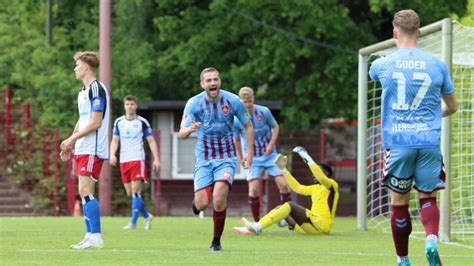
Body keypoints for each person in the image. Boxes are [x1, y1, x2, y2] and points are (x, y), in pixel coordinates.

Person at [368, 9, 457, 266]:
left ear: (394, 33)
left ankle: (403, 260)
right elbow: (452, 106)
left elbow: (377, 76)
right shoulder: (438, 65)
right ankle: (430, 238)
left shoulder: (381, 65)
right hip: (428, 141)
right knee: (428, 197)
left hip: (398, 143)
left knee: (399, 203)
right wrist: (432, 114)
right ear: (419, 33)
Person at [178, 67, 254, 252]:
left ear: (219, 81)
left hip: (226, 158)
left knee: (219, 198)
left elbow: (248, 126)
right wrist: (189, 130)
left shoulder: (233, 101)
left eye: (216, 79)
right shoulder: (194, 103)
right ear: (202, 84)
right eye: (209, 80)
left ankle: (216, 241)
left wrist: (249, 153)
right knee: (203, 203)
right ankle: (197, 204)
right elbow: (181, 133)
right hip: (204, 158)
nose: (213, 83)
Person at [60, 51, 111, 249]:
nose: (75, 68)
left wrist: (71, 138)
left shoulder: (97, 89)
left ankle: (96, 236)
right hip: (82, 147)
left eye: (77, 65)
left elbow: (96, 122)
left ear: (86, 67)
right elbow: (83, 120)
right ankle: (90, 235)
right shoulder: (83, 91)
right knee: (83, 192)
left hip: (93, 147)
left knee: (86, 190)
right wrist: (71, 142)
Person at [235, 146, 339, 236]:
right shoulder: (315, 188)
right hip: (310, 227)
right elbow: (297, 188)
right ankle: (257, 226)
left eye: (321, 171)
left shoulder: (332, 186)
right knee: (280, 207)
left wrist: (306, 157)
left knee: (289, 205)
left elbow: (321, 178)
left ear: (328, 174)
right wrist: (283, 169)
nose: (314, 175)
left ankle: (259, 226)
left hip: (321, 225)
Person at [233, 87, 290, 222]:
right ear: (240, 102)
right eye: (244, 102)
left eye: (249, 101)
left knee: (283, 184)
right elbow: (236, 140)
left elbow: (275, 127)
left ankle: (286, 217)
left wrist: (271, 144)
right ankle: (257, 222)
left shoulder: (264, 112)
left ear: (253, 99)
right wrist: (241, 158)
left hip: (270, 156)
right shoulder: (237, 119)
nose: (247, 105)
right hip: (252, 158)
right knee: (253, 189)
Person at [109, 95, 161, 230]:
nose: (130, 107)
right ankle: (147, 216)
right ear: (124, 106)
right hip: (124, 160)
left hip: (137, 159)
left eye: (132, 104)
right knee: (130, 193)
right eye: (127, 104)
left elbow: (151, 141)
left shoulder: (142, 122)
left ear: (135, 106)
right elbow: (115, 140)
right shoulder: (119, 122)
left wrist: (156, 159)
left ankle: (133, 223)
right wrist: (112, 154)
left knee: (136, 192)